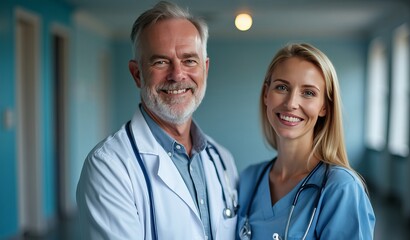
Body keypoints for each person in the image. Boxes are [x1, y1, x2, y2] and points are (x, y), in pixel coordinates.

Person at [76, 1, 239, 239]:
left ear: (205, 68)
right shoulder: (108, 167)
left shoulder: (222, 159)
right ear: (137, 74)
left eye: (189, 61)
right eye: (160, 62)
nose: (177, 75)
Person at [237, 43, 375, 240]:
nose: (291, 103)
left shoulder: (341, 187)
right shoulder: (249, 180)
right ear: (266, 94)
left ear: (324, 107)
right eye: (282, 87)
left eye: (308, 92)